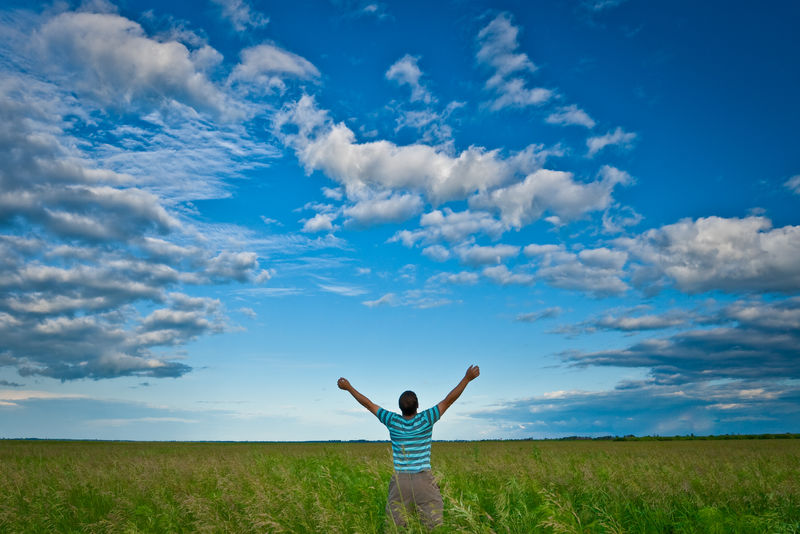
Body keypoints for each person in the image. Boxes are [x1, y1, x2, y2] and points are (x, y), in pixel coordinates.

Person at [337, 365, 480, 530]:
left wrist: (349, 388)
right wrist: (467, 379)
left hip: (400, 482)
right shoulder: (426, 418)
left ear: (400, 408)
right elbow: (448, 400)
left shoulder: (392, 421)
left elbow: (369, 404)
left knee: (395, 527)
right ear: (418, 406)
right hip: (424, 480)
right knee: (433, 526)